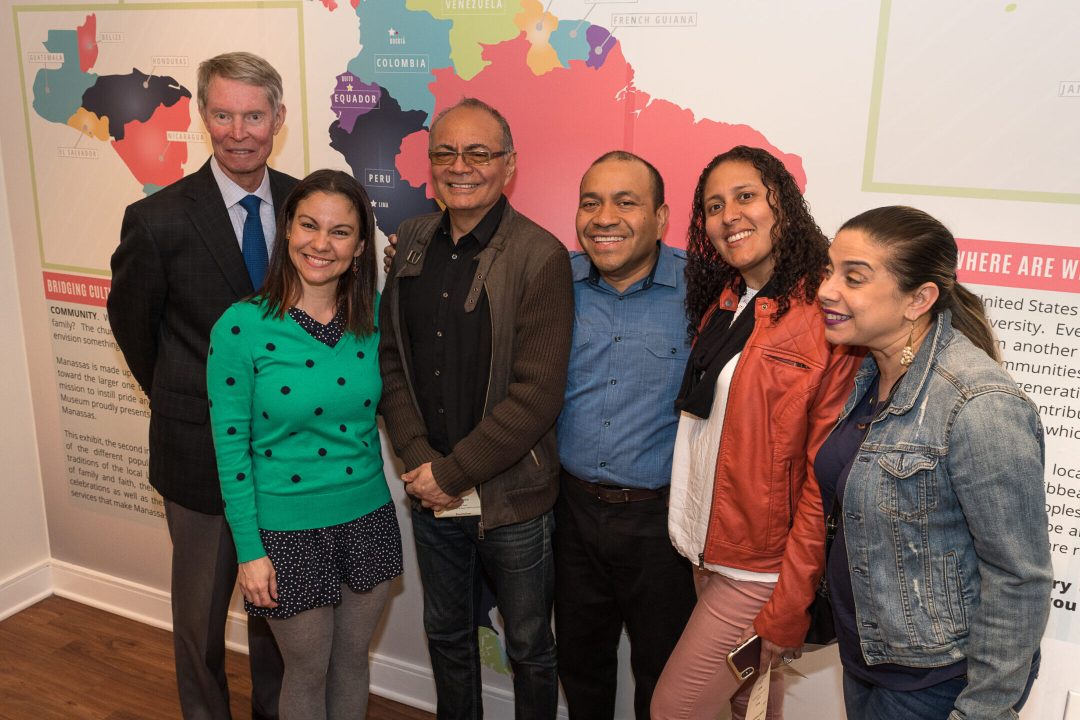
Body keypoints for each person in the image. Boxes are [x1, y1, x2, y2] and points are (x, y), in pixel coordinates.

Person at [108, 51, 295, 720]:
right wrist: (190, 403)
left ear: (278, 117)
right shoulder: (157, 219)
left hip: (291, 464)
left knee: (283, 621)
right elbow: (136, 330)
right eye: (223, 114)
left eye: (253, 115)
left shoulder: (310, 205)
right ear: (203, 115)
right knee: (200, 627)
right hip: (198, 459)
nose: (239, 131)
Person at [815, 205, 1052, 720]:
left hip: (935, 687)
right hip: (867, 663)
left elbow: (1019, 578)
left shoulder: (978, 404)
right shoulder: (868, 372)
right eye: (828, 271)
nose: (827, 290)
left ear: (918, 299)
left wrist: (982, 710)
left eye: (853, 278)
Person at [651, 146, 863, 719]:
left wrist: (791, 600)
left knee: (673, 708)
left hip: (760, 570)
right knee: (752, 701)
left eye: (745, 196)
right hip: (706, 548)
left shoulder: (827, 314)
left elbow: (827, 479)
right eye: (714, 206)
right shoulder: (726, 302)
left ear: (783, 206)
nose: (728, 216)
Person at [378, 97, 573, 719]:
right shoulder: (409, 240)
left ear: (508, 165)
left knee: (529, 646)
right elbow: (391, 360)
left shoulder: (540, 256)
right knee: (446, 636)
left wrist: (452, 474)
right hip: (430, 488)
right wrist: (420, 463)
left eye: (479, 153)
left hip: (510, 500)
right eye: (446, 152)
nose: (460, 166)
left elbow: (536, 395)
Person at [206, 169, 402, 719]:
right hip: (285, 531)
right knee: (308, 670)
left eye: (340, 232)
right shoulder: (241, 326)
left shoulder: (375, 317)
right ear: (286, 230)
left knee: (352, 662)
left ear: (360, 245)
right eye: (309, 226)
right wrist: (250, 550)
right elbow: (230, 448)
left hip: (367, 518)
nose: (321, 244)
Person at [555, 151, 696, 719]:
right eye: (591, 202)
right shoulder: (554, 280)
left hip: (661, 527)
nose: (604, 216)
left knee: (661, 676)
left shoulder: (705, 291)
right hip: (569, 514)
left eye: (625, 201)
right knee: (580, 664)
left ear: (662, 219)